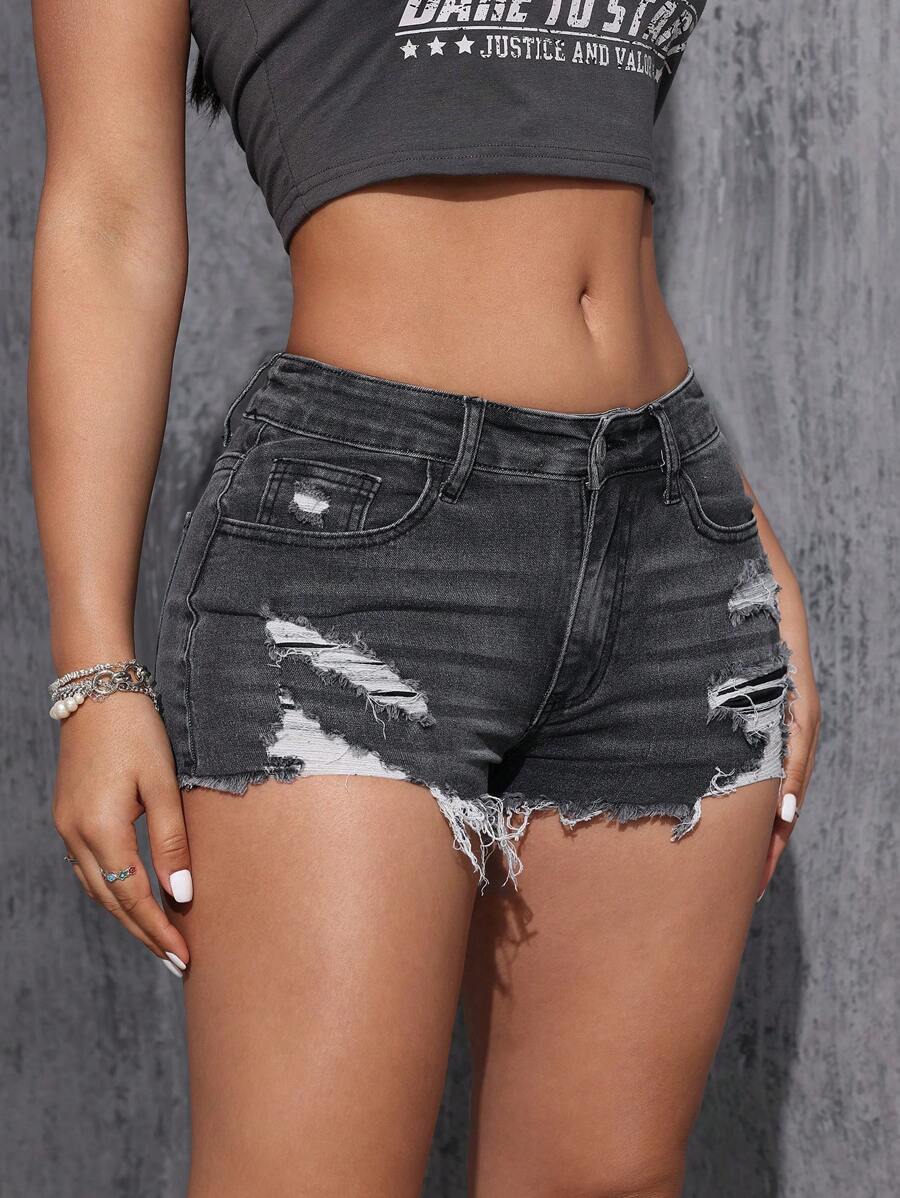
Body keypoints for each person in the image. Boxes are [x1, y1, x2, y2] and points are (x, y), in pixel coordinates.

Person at [29, 1, 820, 1194]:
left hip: (673, 529)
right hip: (358, 550)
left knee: (603, 1180)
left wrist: (740, 534)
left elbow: (590, 185)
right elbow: (108, 215)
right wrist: (94, 668)